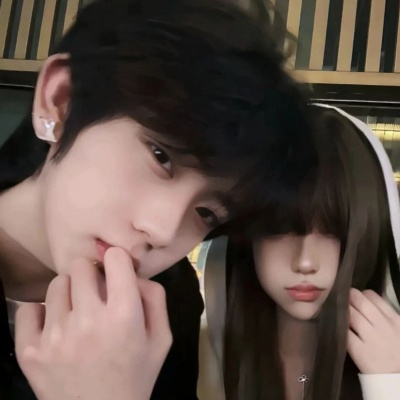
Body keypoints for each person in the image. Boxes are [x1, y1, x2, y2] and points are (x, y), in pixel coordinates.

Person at [0, 0, 317, 398]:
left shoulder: (169, 301)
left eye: (206, 213)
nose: (163, 231)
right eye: (161, 157)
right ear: (61, 100)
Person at [199, 104, 400, 400]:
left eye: (334, 231)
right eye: (280, 228)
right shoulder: (199, 351)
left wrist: (389, 384)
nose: (305, 262)